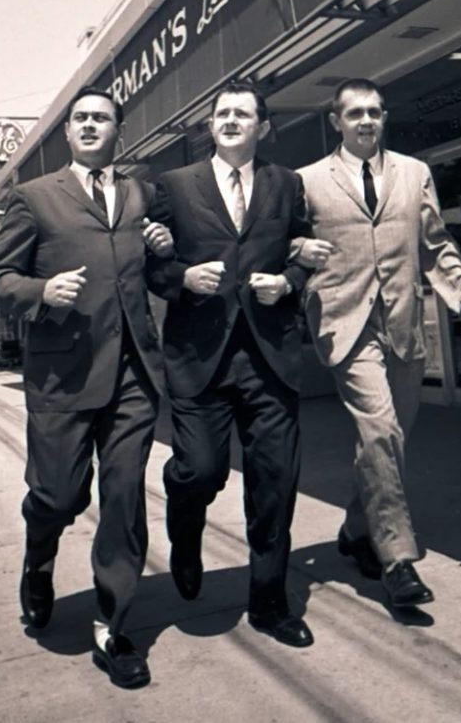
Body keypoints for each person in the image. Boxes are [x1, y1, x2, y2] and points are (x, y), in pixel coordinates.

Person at [0, 85, 173, 690]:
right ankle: (39, 558)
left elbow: (160, 273)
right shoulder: (34, 197)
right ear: (68, 133)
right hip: (62, 375)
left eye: (102, 118)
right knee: (60, 496)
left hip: (134, 376)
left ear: (119, 130)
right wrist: (40, 293)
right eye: (80, 119)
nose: (90, 126)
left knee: (123, 499)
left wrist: (166, 249)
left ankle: (112, 627)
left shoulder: (144, 193)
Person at [295, 78, 461, 608]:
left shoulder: (414, 172)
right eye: (355, 113)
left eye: (375, 112)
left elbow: (434, 243)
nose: (366, 121)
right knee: (379, 428)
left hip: (404, 321)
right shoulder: (308, 181)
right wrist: (298, 251)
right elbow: (287, 244)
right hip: (345, 321)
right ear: (335, 121)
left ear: (385, 118)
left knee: (391, 439)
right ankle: (399, 560)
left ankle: (357, 530)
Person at [146, 81, 314, 648]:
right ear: (209, 125)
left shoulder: (286, 184)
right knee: (200, 469)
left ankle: (270, 601)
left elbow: (304, 251)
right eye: (222, 113)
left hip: (270, 358)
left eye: (243, 113)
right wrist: (182, 280)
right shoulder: (174, 186)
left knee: (275, 484)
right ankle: (186, 529)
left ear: (262, 126)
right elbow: (151, 265)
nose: (231, 120)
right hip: (200, 357)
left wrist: (288, 282)